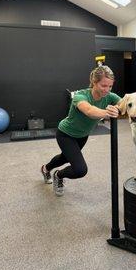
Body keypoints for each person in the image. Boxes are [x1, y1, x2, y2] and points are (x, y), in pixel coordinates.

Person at [41, 65, 121, 196]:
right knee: (80, 169)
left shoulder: (109, 96)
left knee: (64, 158)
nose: (107, 90)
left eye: (110, 86)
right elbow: (89, 111)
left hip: (82, 136)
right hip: (65, 134)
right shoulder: (80, 96)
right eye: (103, 86)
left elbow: (126, 103)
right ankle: (58, 175)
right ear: (94, 82)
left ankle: (46, 169)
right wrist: (108, 112)